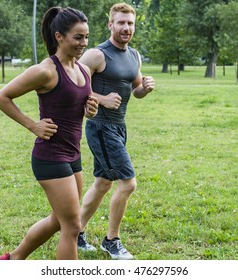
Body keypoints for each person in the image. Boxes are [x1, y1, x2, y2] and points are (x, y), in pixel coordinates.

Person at [0, 6, 98, 260]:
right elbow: (1, 97)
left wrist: (91, 109)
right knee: (72, 226)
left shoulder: (83, 69)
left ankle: (12, 260)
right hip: (50, 157)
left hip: (73, 155)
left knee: (58, 220)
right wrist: (32, 124)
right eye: (78, 37)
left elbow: (81, 105)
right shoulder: (45, 71)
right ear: (59, 37)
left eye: (86, 37)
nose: (84, 43)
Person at [77, 2, 155, 260]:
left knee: (102, 183)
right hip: (100, 127)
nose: (126, 28)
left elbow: (135, 90)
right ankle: (112, 241)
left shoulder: (134, 55)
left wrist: (145, 87)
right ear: (110, 24)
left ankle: (75, 231)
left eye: (130, 23)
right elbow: (74, 86)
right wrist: (100, 98)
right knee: (128, 183)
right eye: (121, 22)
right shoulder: (97, 55)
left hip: (119, 127)